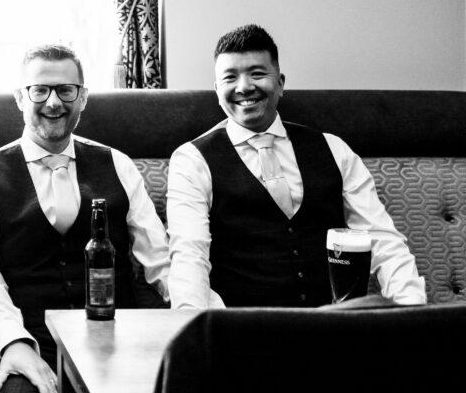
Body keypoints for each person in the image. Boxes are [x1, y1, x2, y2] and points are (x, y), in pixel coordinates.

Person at [0, 43, 171, 393]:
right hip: (33, 339)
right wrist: (13, 342)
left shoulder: (119, 164)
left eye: (66, 91)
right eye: (39, 90)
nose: (53, 102)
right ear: (20, 98)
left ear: (83, 98)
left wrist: (199, 319)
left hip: (117, 339)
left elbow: (158, 262)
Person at [166, 23, 426, 309]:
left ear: (280, 83)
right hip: (243, 332)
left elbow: (381, 239)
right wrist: (195, 329)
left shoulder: (333, 148)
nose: (244, 87)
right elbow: (190, 257)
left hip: (333, 326)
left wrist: (412, 311)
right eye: (230, 77)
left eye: (257, 73)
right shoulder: (191, 161)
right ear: (217, 91)